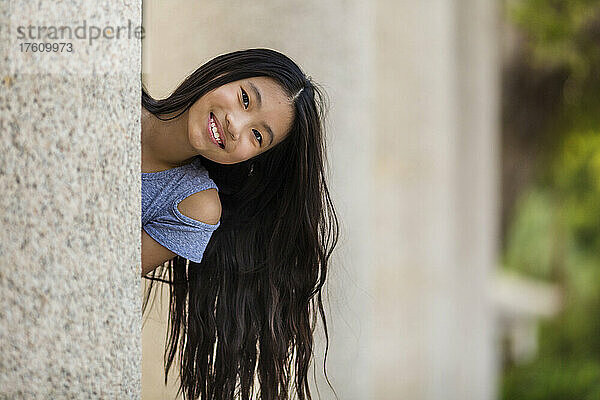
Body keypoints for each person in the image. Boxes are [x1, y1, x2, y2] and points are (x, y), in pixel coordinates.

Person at [141, 48, 340, 400]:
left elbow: (97, 276)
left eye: (258, 137)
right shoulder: (114, 88)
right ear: (224, 72)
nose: (236, 125)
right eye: (245, 98)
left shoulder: (193, 206)